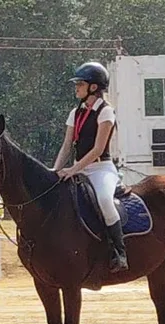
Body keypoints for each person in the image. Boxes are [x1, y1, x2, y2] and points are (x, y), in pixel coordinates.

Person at [54, 61, 127, 273]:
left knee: (104, 200)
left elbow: (97, 149)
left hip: (101, 169)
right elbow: (67, 146)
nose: (76, 88)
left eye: (80, 84)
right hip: (79, 169)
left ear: (93, 87)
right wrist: (55, 170)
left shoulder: (106, 112)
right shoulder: (75, 113)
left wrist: (72, 169)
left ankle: (119, 252)